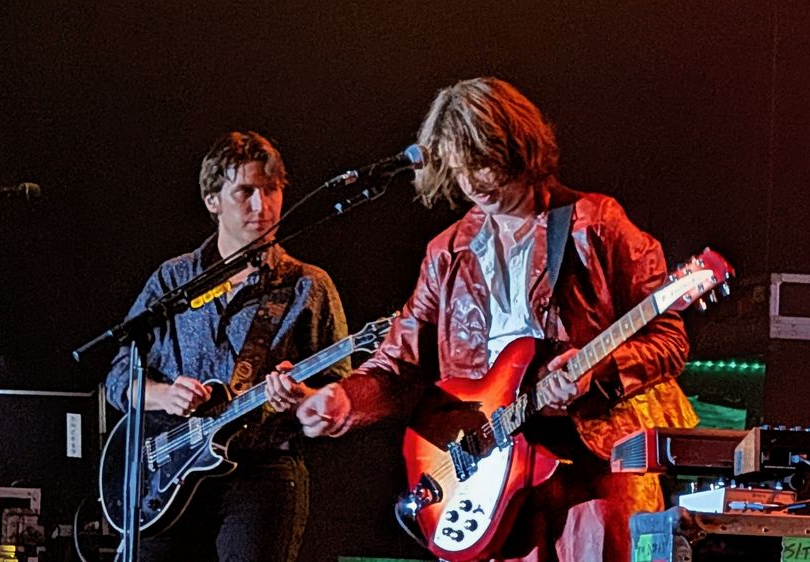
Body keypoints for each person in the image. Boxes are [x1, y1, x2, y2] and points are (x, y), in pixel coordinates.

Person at [275, 77, 699, 561]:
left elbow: (669, 340)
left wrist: (596, 374)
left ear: (519, 148)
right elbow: (399, 363)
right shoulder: (447, 252)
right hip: (490, 471)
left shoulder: (594, 224)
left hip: (592, 463)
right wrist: (343, 399)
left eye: (484, 164)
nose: (475, 183)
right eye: (460, 170)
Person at [104, 130, 350, 562]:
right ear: (212, 200)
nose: (262, 206)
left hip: (262, 472)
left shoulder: (307, 285)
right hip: (168, 474)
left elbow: (340, 393)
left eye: (271, 190)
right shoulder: (172, 280)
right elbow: (118, 379)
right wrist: (165, 394)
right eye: (245, 192)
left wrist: (301, 399)